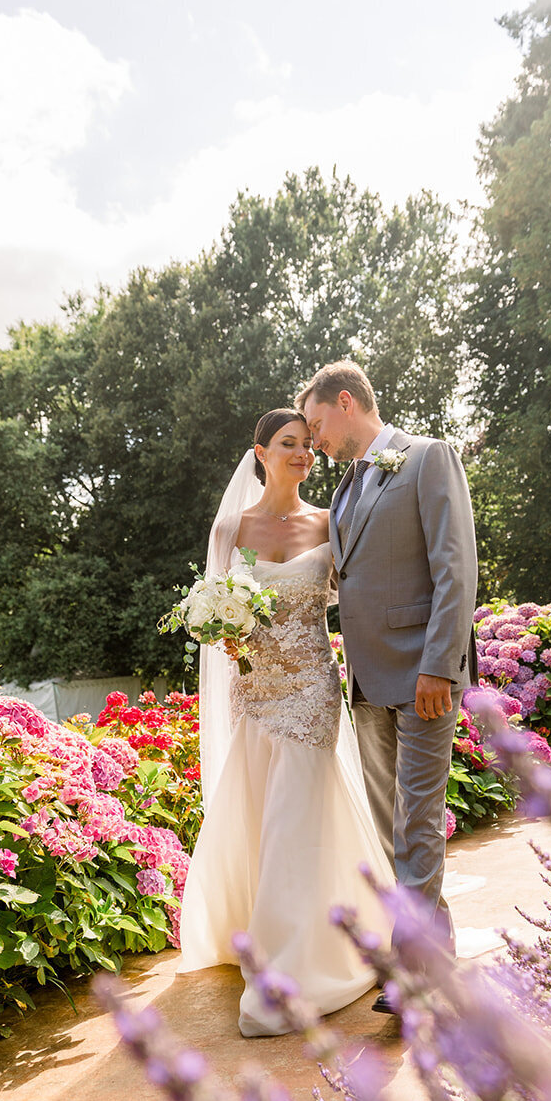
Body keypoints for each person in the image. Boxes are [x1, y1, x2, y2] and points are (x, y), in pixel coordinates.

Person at [178, 408, 394, 1037]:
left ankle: (290, 974)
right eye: (288, 444)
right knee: (260, 815)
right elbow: (214, 620)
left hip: (311, 689)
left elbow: (356, 599)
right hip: (256, 692)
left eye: (307, 444)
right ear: (261, 452)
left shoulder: (330, 523)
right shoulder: (231, 528)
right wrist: (228, 635)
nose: (302, 453)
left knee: (292, 819)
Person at [296, 361, 478, 1012]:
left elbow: (455, 567)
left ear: (346, 402)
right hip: (367, 681)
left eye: (316, 424)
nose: (314, 440)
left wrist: (439, 665)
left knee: (417, 825)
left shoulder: (426, 458)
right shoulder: (344, 489)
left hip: (423, 675)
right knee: (391, 828)